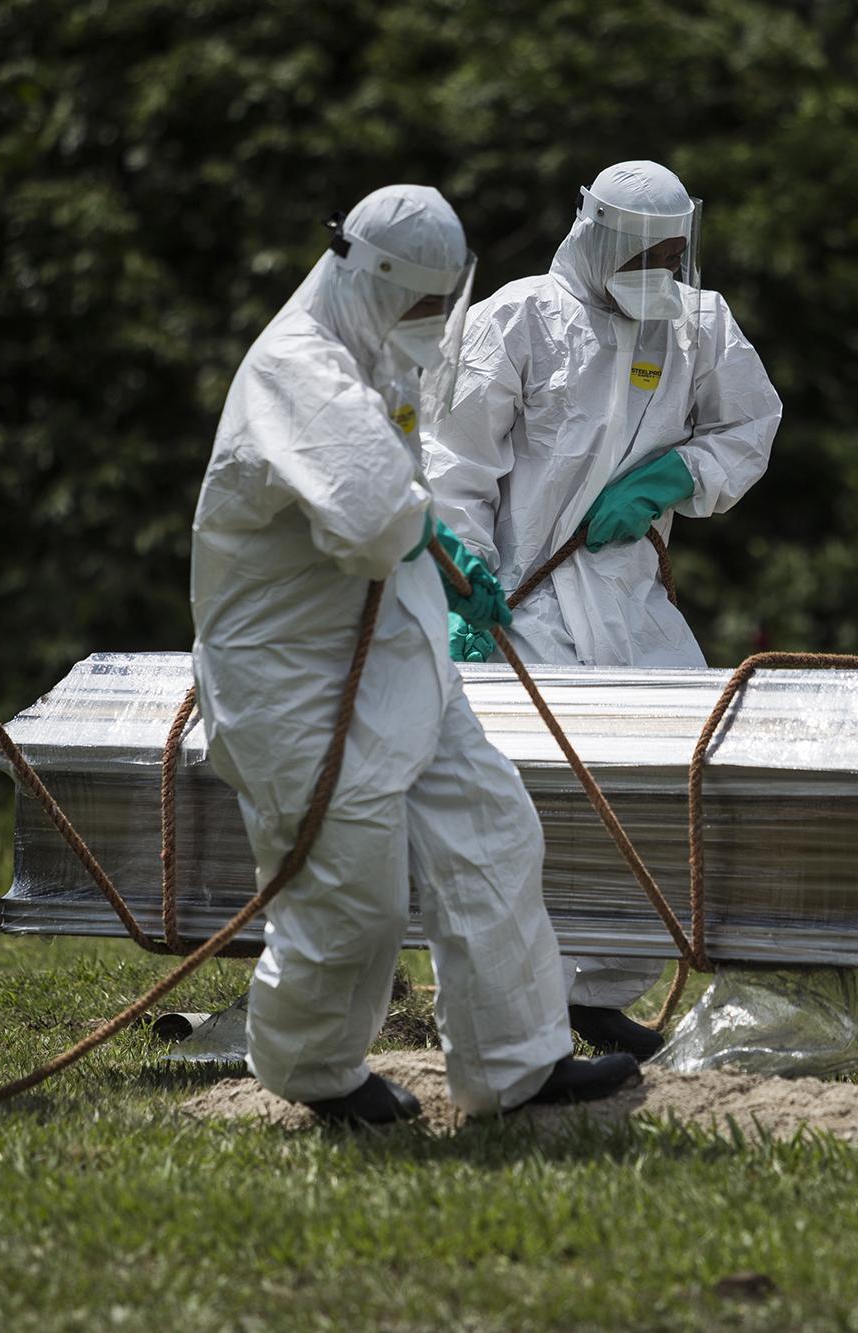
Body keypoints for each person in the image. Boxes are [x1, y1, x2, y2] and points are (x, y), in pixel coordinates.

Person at [189, 184, 643, 1125]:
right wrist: (425, 528)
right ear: (370, 280)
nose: (436, 325)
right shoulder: (298, 368)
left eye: (447, 303)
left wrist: (447, 548)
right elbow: (367, 519)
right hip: (294, 682)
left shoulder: (373, 344)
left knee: (495, 834)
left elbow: (400, 490)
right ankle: (317, 1074)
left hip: (397, 654)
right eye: (423, 306)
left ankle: (517, 1066)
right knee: (353, 900)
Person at [424, 161, 781, 1057]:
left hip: (631, 600)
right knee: (526, 806)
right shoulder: (519, 318)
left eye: (672, 248)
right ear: (595, 232)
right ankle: (507, 1000)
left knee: (669, 792)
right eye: (641, 248)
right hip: (522, 607)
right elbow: (455, 463)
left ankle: (599, 992)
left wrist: (679, 475)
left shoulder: (698, 322)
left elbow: (750, 425)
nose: (659, 263)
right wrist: (462, 574)